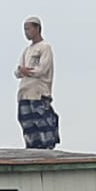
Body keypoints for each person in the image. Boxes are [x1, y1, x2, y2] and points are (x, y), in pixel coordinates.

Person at [15, 15, 59, 149]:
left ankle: (47, 149)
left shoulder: (45, 47)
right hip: (25, 92)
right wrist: (22, 71)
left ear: (37, 28)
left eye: (28, 29)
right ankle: (32, 148)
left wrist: (27, 71)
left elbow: (42, 69)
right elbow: (18, 71)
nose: (26, 32)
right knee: (28, 125)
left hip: (39, 93)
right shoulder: (27, 50)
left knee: (42, 123)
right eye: (24, 29)